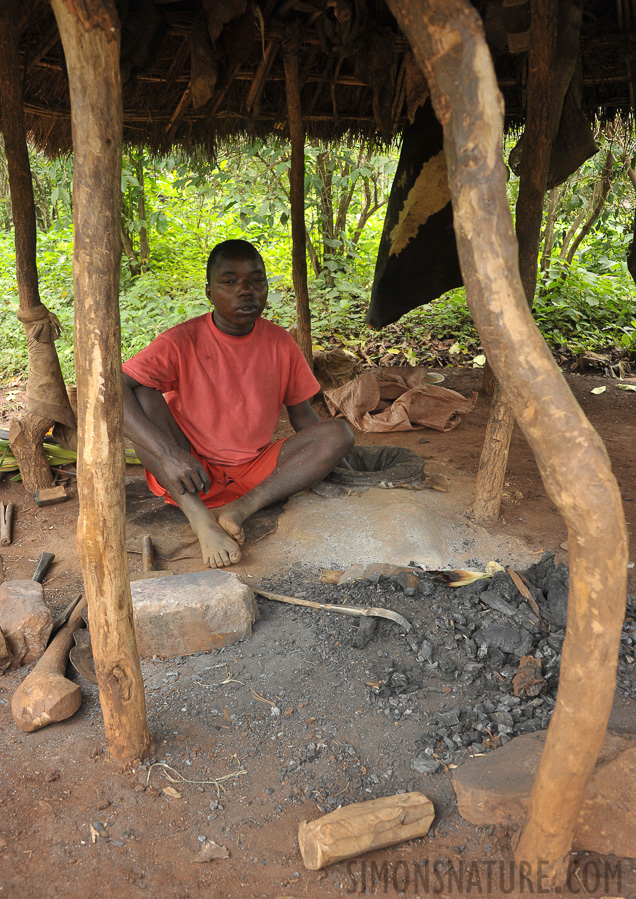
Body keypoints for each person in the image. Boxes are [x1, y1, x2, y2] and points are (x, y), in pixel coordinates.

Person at [122, 239, 354, 569]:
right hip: (190, 471)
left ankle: (239, 510)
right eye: (229, 282)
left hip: (256, 471)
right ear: (209, 291)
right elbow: (113, 388)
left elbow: (303, 415)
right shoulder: (181, 341)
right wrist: (168, 454)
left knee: (339, 434)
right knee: (141, 390)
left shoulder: (280, 342)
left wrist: (331, 458)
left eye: (256, 280)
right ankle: (200, 519)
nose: (245, 291)